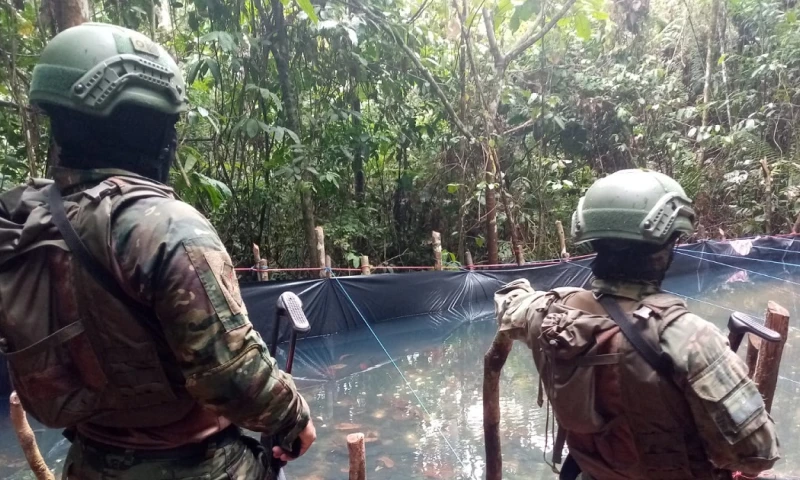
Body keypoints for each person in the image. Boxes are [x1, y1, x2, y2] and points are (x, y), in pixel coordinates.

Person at [0, 23, 314, 479]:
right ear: (153, 127)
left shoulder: (24, 219)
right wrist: (295, 418)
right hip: (196, 467)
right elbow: (232, 376)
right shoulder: (165, 227)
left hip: (88, 462)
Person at [493, 169, 779, 480]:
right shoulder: (689, 337)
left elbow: (509, 300)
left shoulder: (547, 313)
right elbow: (757, 456)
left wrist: (531, 292)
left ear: (594, 240)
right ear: (667, 246)